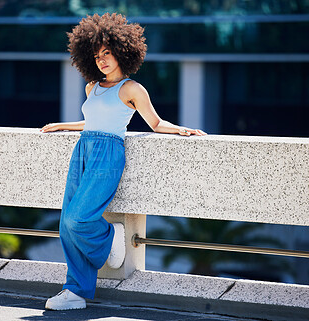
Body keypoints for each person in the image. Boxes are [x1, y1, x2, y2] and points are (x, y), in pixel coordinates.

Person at [40, 12, 206, 311]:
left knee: (79, 218)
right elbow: (92, 120)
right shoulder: (92, 86)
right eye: (96, 55)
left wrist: (181, 129)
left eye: (107, 52)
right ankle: (75, 292)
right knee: (66, 223)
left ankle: (109, 237)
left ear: (121, 51)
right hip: (83, 150)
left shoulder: (132, 89)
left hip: (109, 154)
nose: (102, 60)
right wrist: (64, 125)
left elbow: (154, 123)